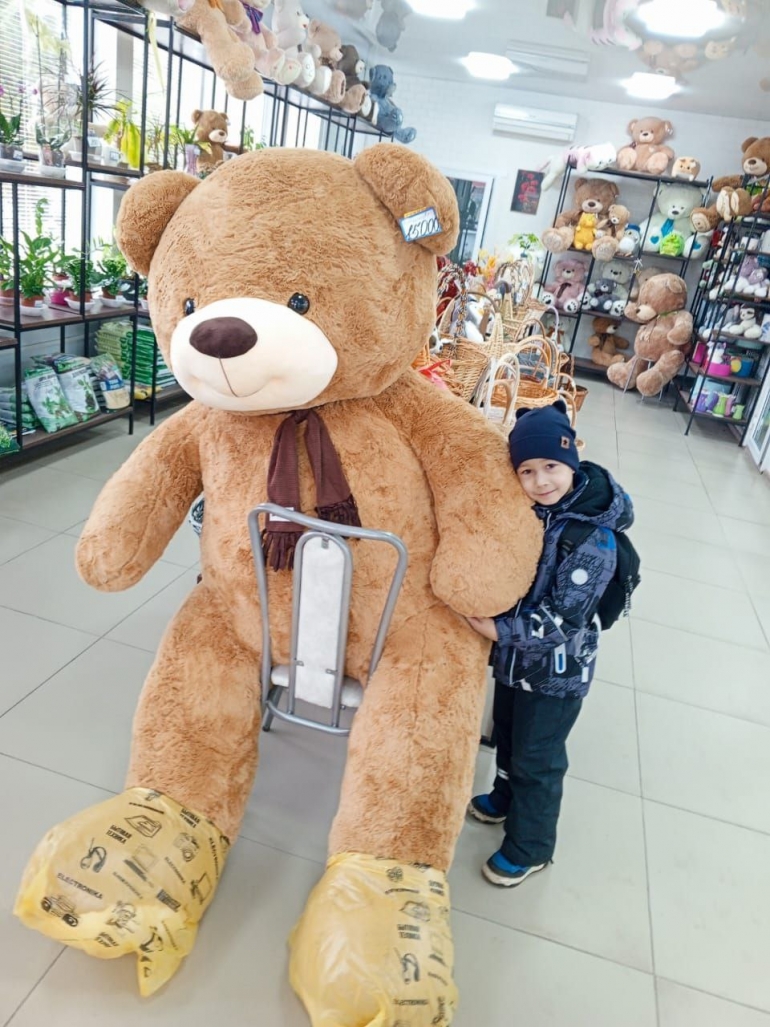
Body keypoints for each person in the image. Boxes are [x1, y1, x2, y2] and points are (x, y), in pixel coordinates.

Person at [466, 400, 633, 888]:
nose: (541, 481)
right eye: (527, 470)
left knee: (537, 757)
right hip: (517, 663)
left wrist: (501, 631)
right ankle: (504, 797)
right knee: (508, 736)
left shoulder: (591, 537)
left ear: (573, 457)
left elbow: (566, 619)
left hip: (558, 673)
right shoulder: (539, 512)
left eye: (551, 467)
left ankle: (532, 846)